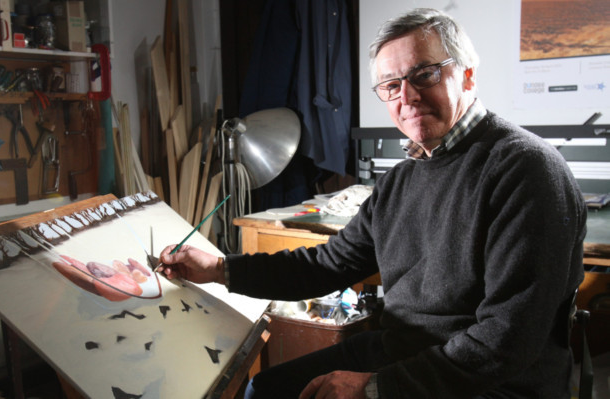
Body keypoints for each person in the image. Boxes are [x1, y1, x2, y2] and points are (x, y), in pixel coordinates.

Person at [157, 8, 587, 399]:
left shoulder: (526, 171)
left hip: (491, 384)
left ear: (467, 76)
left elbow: (504, 342)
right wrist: (219, 269)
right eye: (391, 85)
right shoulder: (400, 181)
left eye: (425, 75)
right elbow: (325, 266)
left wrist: (377, 389)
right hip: (404, 355)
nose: (408, 96)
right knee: (266, 391)